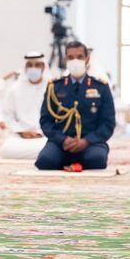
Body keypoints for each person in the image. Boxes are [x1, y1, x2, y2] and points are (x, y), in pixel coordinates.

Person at [35, 41, 115, 170]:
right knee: (45, 161)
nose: (75, 61)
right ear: (65, 59)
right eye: (71, 57)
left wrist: (86, 141)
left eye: (79, 57)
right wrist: (63, 139)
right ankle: (67, 161)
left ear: (87, 58)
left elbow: (108, 123)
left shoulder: (101, 87)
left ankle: (71, 163)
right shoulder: (54, 87)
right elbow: (46, 121)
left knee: (96, 160)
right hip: (61, 143)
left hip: (91, 142)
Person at [0, 52, 49, 159]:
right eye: (29, 65)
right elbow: (7, 115)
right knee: (7, 150)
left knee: (54, 148)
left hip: (45, 135)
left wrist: (42, 132)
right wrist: (21, 131)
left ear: (43, 67)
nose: (33, 68)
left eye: (37, 65)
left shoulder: (52, 88)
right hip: (21, 137)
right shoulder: (15, 89)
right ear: (25, 67)